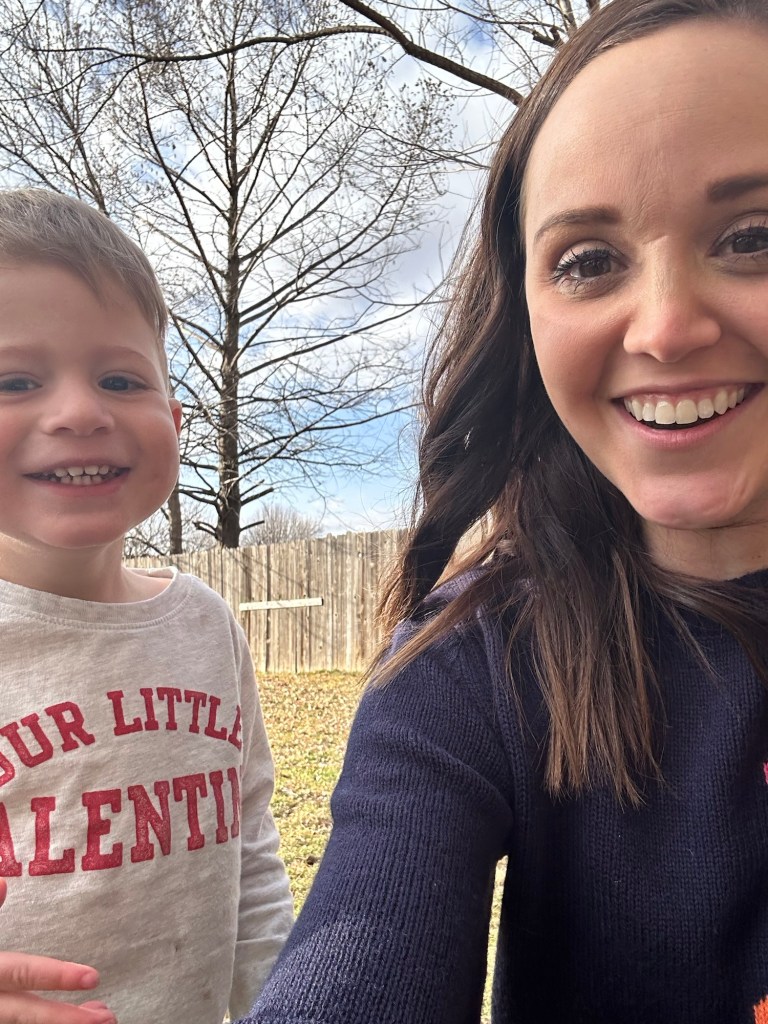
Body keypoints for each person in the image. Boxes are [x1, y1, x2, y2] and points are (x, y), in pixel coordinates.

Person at [237, 1, 768, 1022]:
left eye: (752, 236)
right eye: (588, 260)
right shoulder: (474, 657)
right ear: (524, 317)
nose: (665, 328)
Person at [0, 189, 293, 1024]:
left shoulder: (205, 626)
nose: (79, 412)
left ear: (174, 418)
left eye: (119, 379)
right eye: (15, 380)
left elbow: (250, 856)